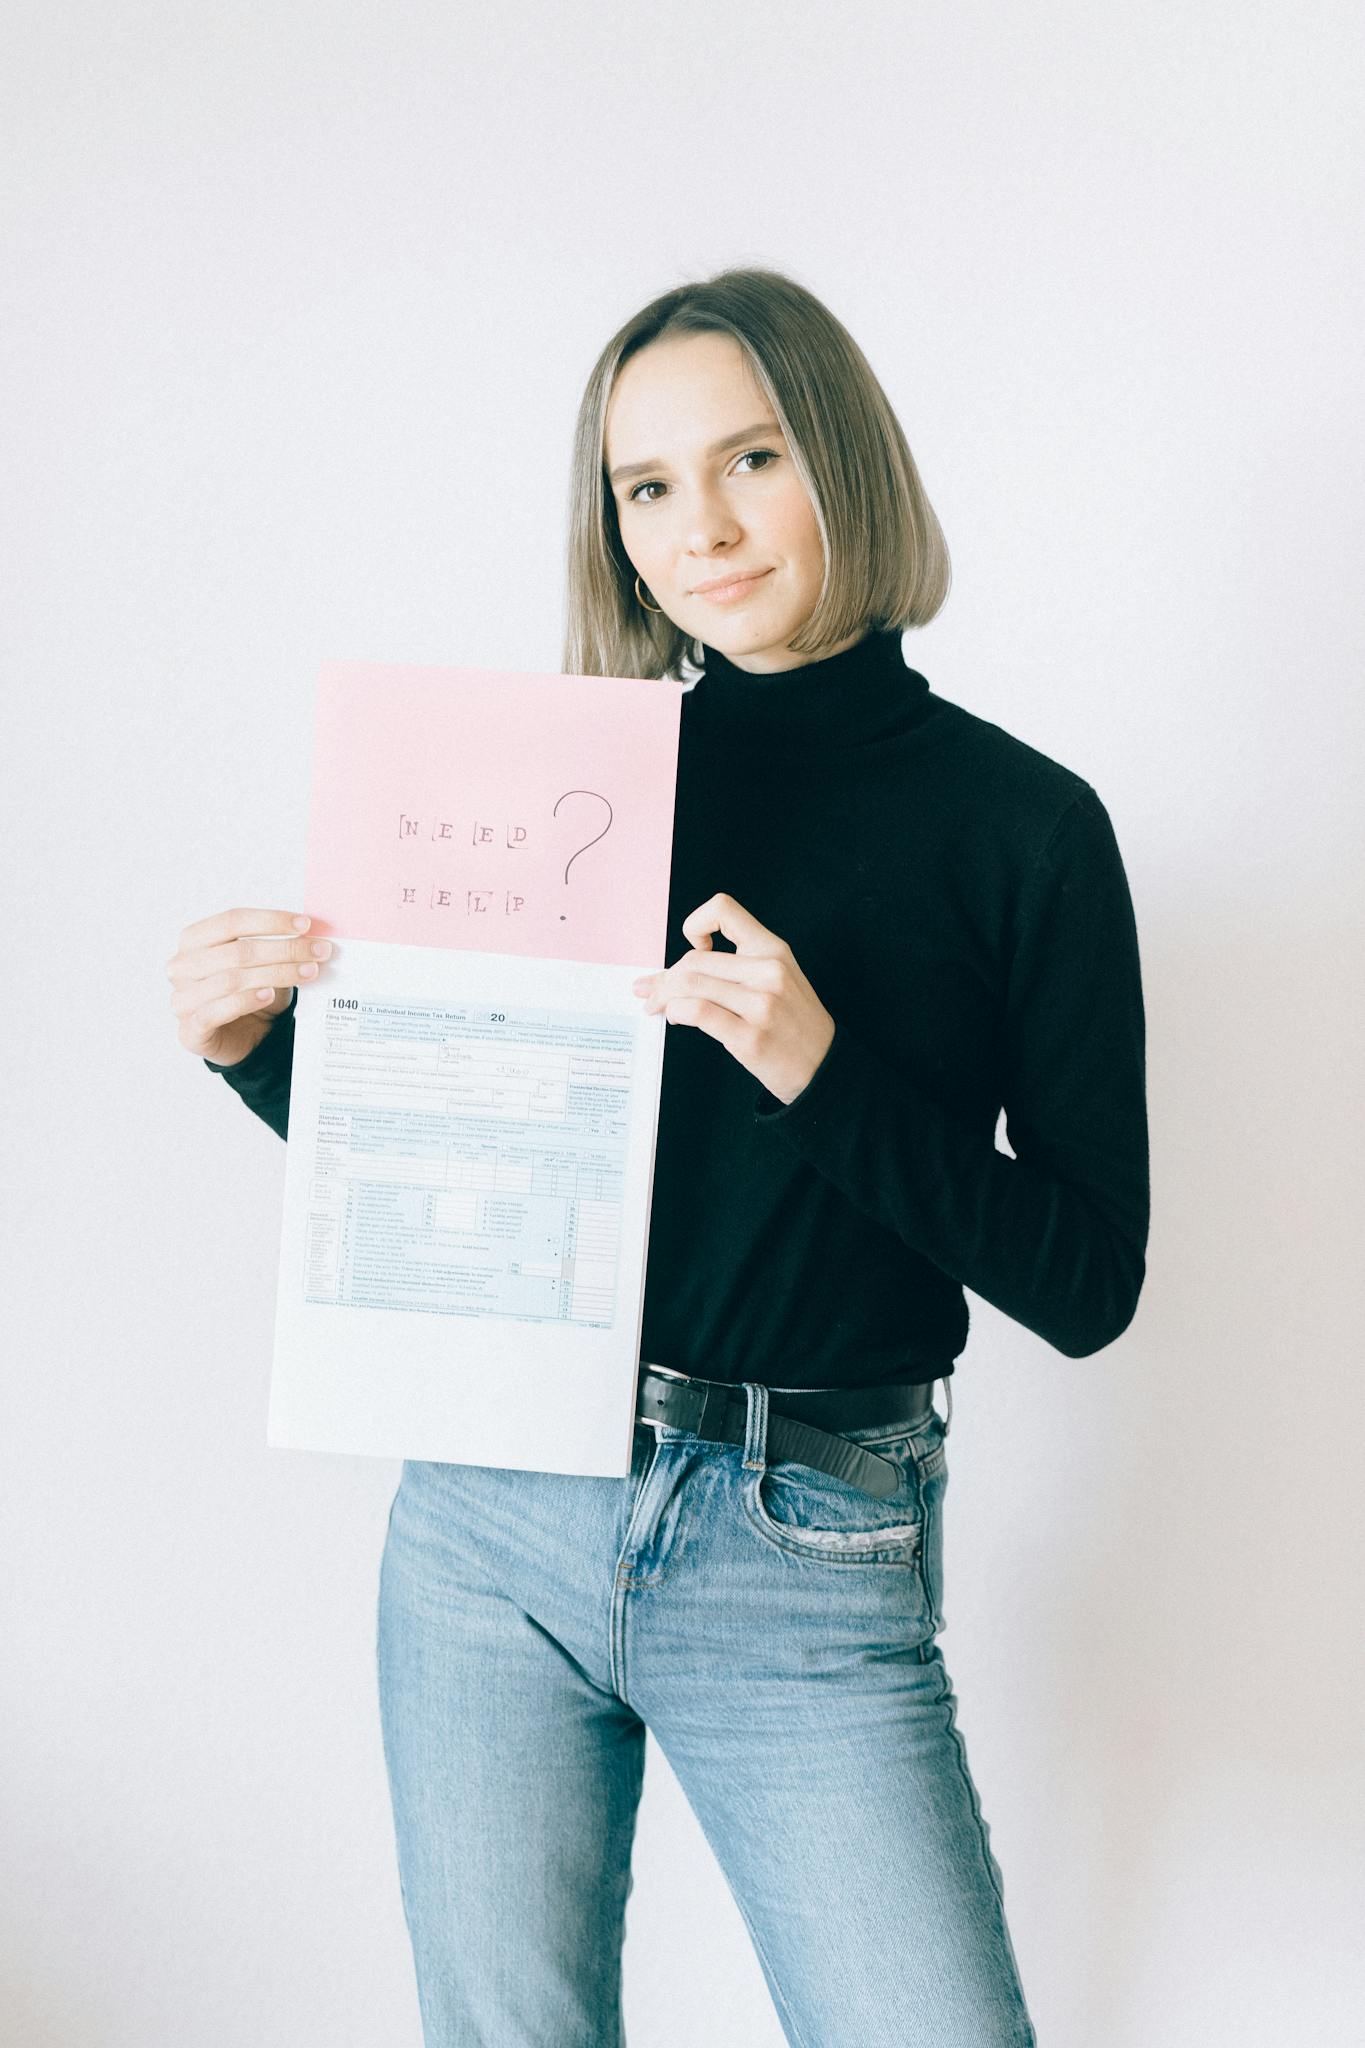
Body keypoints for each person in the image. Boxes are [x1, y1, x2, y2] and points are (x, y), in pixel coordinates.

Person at [166, 266, 1148, 2047]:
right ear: (610, 528)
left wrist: (820, 1070)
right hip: (486, 1517)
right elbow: (473, 1138)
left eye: (749, 457)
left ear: (840, 458)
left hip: (806, 1535)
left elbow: (1085, 1283)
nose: (700, 526)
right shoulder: (571, 781)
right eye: (645, 488)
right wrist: (257, 1055)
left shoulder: (1025, 829)